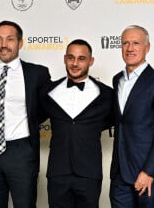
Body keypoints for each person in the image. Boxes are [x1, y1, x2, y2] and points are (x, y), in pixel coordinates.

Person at [0, 20, 51, 208]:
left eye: (9, 39)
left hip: (21, 152)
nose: (3, 45)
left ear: (20, 43)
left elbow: (45, 109)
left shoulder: (37, 73)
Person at [40, 39, 114, 208]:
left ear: (91, 61)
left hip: (89, 172)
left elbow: (110, 121)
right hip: (58, 172)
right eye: (71, 58)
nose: (75, 63)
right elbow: (33, 117)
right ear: (65, 59)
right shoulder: (48, 91)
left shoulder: (107, 95)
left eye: (81, 58)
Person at [110, 25, 154, 208]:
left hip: (148, 174)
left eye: (136, 43)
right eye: (125, 43)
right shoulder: (117, 80)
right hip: (120, 173)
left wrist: (149, 171)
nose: (130, 48)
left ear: (147, 47)